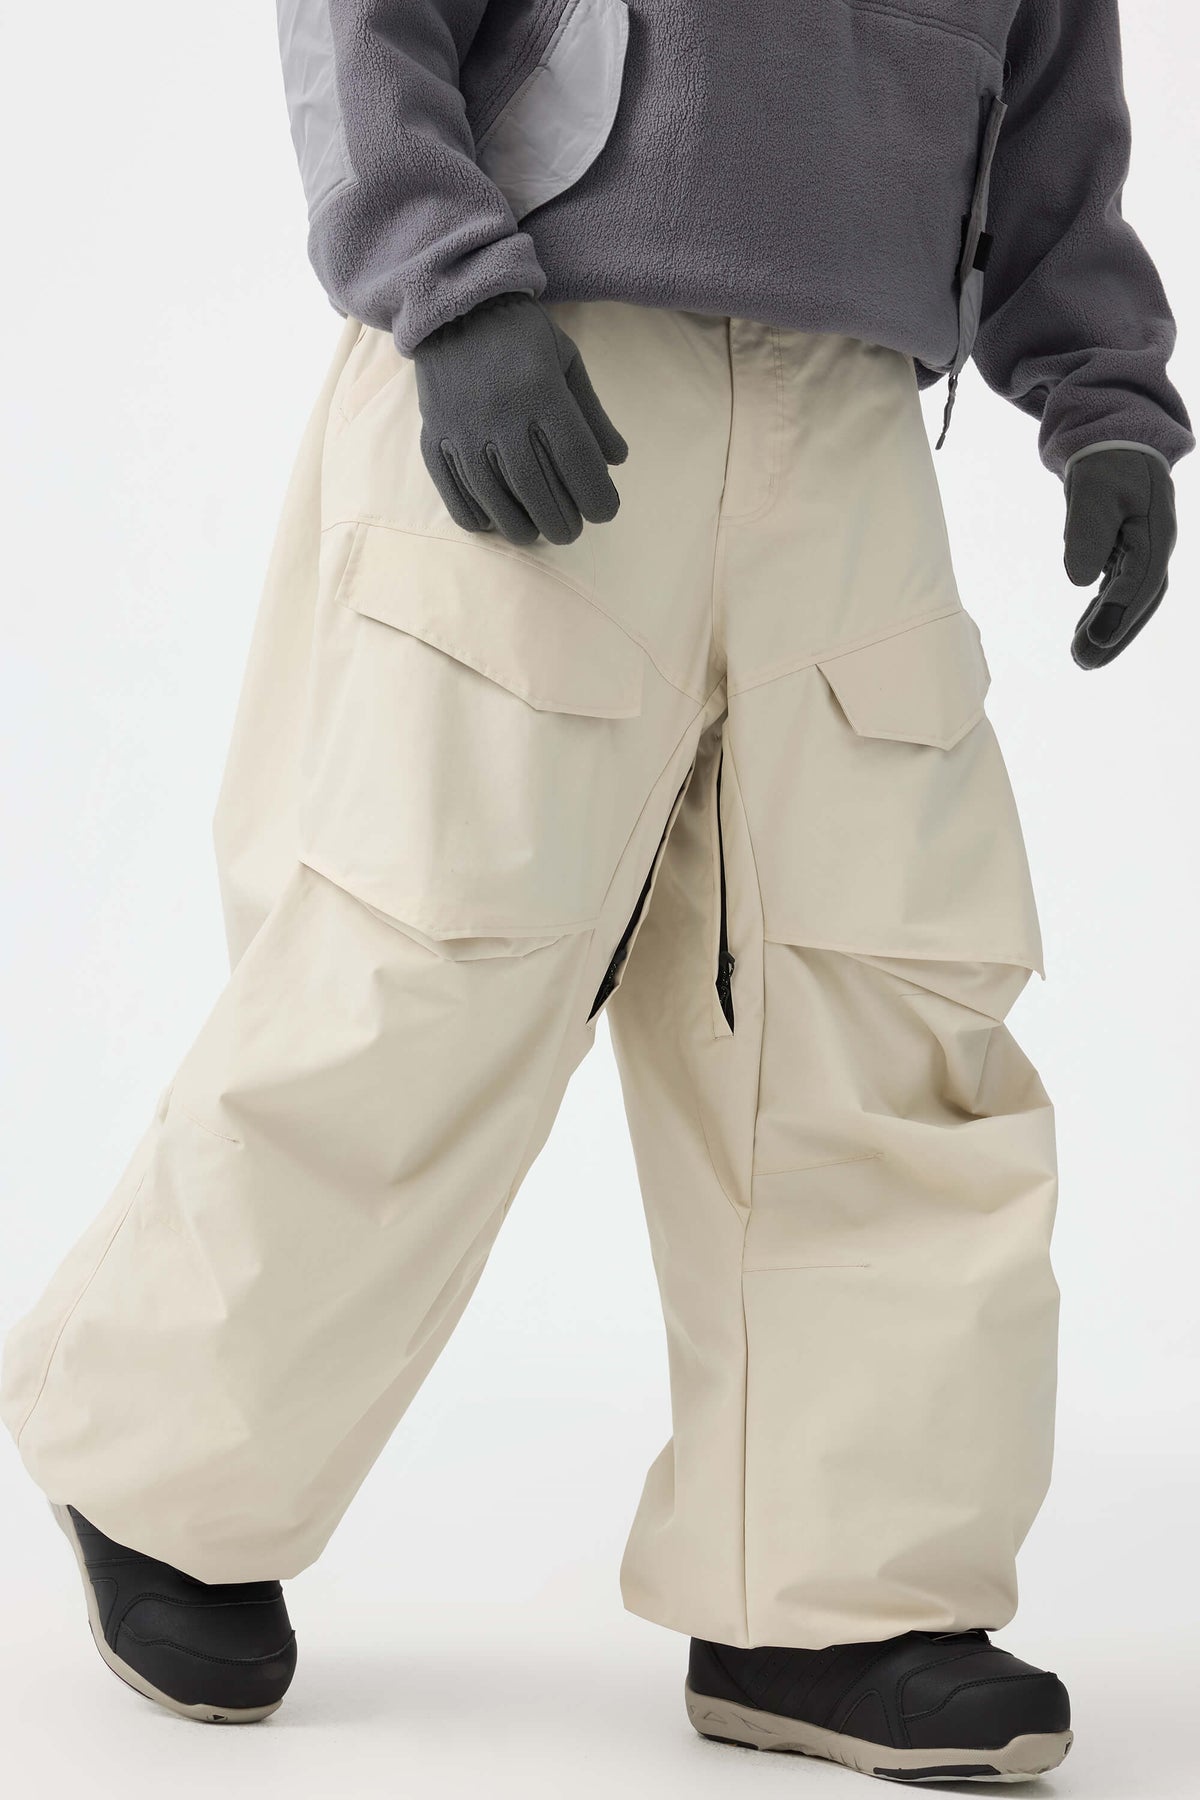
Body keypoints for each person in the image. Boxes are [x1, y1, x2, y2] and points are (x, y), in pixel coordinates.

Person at [2, 0, 1189, 1780]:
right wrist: (448, 289)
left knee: (879, 1010)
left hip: (852, 417)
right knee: (427, 961)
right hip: (541, 365)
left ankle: (834, 1600)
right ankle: (162, 1472)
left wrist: (1105, 402)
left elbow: (1048, 103)